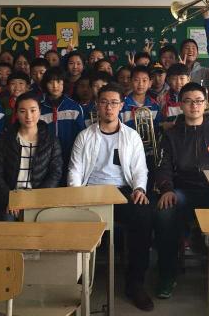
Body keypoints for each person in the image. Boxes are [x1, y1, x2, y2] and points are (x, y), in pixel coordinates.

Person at [68, 83, 154, 311]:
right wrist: (77, 195)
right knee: (72, 220)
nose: (109, 107)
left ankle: (135, 284)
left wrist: (139, 189)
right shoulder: (84, 136)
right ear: (97, 105)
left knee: (144, 216)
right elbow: (75, 170)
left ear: (121, 105)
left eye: (114, 103)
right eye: (104, 102)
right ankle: (77, 282)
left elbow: (140, 169)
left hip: (122, 191)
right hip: (91, 192)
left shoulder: (131, 136)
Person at [154, 82, 209, 299]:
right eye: (188, 101)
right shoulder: (171, 135)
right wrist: (167, 189)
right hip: (182, 192)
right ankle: (167, 274)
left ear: (205, 104)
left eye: (198, 101)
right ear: (181, 105)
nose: (194, 106)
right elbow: (162, 167)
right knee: (164, 213)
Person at [0, 93, 62, 220]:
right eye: (22, 111)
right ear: (16, 114)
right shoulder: (6, 139)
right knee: (6, 221)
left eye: (33, 110)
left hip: (39, 197)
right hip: (11, 197)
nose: (28, 116)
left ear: (40, 112)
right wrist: (11, 199)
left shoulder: (51, 140)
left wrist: (35, 199)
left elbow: (55, 173)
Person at [40, 66, 85, 185]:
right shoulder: (39, 108)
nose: (55, 86)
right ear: (45, 84)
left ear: (64, 83)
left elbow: (81, 135)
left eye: (59, 81)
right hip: (46, 159)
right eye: (51, 82)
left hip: (70, 157)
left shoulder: (74, 107)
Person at [120, 66, 161, 130]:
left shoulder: (154, 105)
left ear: (150, 83)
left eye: (144, 80)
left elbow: (157, 128)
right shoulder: (122, 105)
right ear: (130, 82)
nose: (140, 84)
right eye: (136, 80)